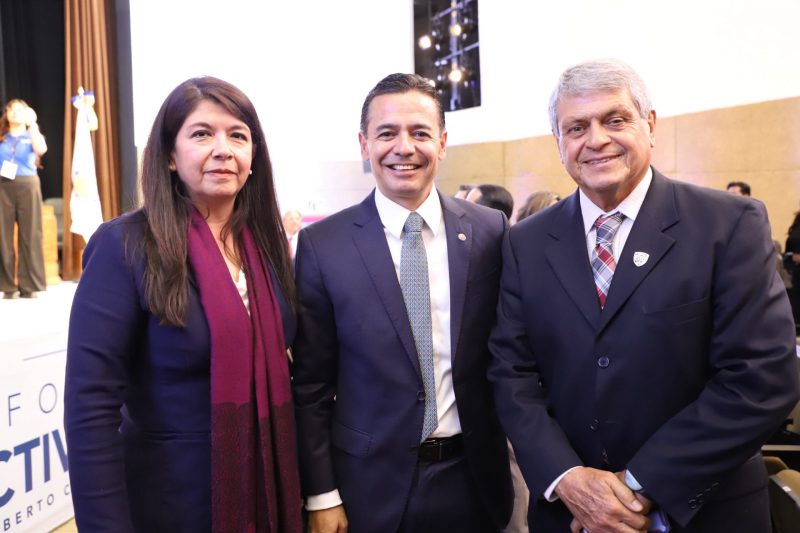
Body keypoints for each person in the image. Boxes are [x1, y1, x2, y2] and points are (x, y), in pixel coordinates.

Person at [488, 59, 799, 533]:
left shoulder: (729, 225)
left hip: (706, 513)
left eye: (615, 120)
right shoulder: (524, 243)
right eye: (576, 127)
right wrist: (567, 479)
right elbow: (512, 374)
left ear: (650, 124)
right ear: (559, 142)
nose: (596, 140)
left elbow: (761, 378)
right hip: (569, 515)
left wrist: (635, 487)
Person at [64, 77, 303, 533]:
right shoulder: (125, 245)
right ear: (171, 156)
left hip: (266, 491)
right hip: (170, 503)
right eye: (202, 134)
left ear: (254, 156)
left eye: (238, 136)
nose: (223, 149)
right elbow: (90, 408)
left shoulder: (266, 245)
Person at [292, 73, 513, 533]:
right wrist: (322, 494)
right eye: (387, 133)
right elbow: (311, 385)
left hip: (474, 480)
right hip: (367, 487)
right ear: (364, 144)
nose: (404, 147)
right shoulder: (324, 245)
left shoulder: (489, 231)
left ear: (443, 142)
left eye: (420, 133)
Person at [0, 99, 47, 298]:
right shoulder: (2, 137)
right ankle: (7, 287)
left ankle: (30, 286)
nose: (15, 112)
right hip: (3, 186)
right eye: (11, 109)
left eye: (20, 109)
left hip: (28, 184)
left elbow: (41, 149)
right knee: (3, 236)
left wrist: (32, 124)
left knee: (31, 234)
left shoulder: (31, 135)